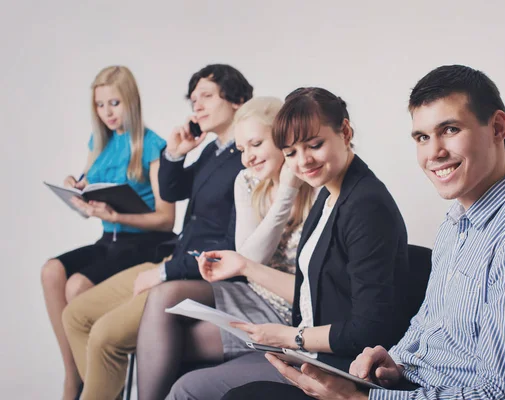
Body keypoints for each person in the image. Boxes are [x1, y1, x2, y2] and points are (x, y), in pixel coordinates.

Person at [224, 65, 505, 400]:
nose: (433, 152)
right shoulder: (457, 221)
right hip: (411, 384)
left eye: (449, 130)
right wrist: (394, 360)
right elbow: (428, 324)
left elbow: (499, 395)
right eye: (421, 137)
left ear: (497, 128)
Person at [166, 87, 428, 400]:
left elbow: (368, 329)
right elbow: (310, 291)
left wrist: (291, 337)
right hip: (312, 355)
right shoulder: (329, 194)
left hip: (341, 369)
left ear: (345, 132)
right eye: (290, 153)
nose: (302, 161)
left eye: (314, 145)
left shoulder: (365, 204)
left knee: (195, 391)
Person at [61, 64, 252, 400]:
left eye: (206, 97)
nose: (198, 107)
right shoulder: (213, 150)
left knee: (105, 335)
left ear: (237, 100)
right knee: (75, 315)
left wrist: (165, 272)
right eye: (193, 101)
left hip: (199, 274)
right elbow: (173, 189)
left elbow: (233, 245)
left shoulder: (249, 157)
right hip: (176, 259)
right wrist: (176, 154)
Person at [134, 96, 315, 400]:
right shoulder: (246, 180)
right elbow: (248, 258)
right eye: (242, 150)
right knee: (164, 296)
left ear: (283, 139)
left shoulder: (312, 187)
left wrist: (288, 190)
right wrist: (282, 194)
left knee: (173, 350)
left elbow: (258, 265)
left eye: (256, 144)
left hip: (292, 312)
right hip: (253, 293)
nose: (248, 158)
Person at [40, 65, 175, 400]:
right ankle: (74, 376)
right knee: (51, 271)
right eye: (100, 105)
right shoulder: (98, 142)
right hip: (108, 241)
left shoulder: (153, 145)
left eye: (114, 103)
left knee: (77, 286)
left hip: (143, 243)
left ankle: (100, 386)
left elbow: (166, 219)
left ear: (131, 101)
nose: (107, 113)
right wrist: (76, 188)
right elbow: (89, 185)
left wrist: (118, 214)